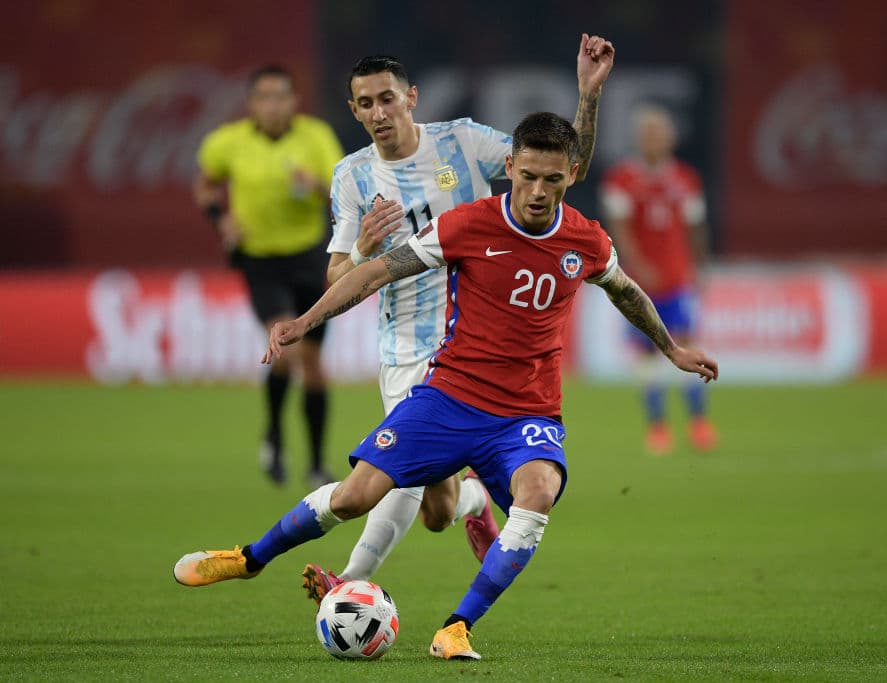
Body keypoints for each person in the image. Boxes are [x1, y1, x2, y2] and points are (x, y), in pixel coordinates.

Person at [174, 111, 718, 661]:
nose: (537, 191)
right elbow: (376, 271)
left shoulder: (586, 240)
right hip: (449, 398)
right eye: (527, 175)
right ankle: (248, 559)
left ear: (571, 176)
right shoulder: (469, 224)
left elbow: (625, 291)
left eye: (552, 180)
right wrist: (303, 323)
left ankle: (456, 627)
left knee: (537, 498)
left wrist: (671, 348)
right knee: (364, 497)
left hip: (528, 414)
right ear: (510, 166)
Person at [303, 35, 614, 592]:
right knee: (438, 511)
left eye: (387, 99)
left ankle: (348, 582)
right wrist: (362, 254)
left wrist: (587, 96)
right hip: (404, 343)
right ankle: (472, 499)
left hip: (471, 345)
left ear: (411, 97)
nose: (379, 112)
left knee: (395, 482)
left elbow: (566, 170)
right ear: (353, 110)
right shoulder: (351, 176)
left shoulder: (462, 143)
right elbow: (337, 276)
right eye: (366, 103)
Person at [193, 65, 344, 487]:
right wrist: (220, 218)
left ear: (294, 101)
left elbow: (340, 191)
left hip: (309, 256)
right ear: (252, 103)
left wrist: (314, 184)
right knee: (287, 352)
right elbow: (205, 186)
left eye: (281, 96)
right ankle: (276, 435)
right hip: (259, 259)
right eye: (264, 97)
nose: (273, 105)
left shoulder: (315, 137)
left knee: (313, 364)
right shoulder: (228, 142)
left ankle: (315, 462)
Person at [599, 103, 716, 454]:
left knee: (688, 345)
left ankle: (699, 423)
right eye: (647, 133)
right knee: (647, 355)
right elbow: (618, 227)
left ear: (671, 138)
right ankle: (658, 428)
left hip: (677, 279)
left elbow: (695, 228)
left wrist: (701, 267)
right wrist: (636, 263)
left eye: (659, 132)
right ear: (638, 139)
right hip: (637, 285)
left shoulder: (686, 178)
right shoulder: (621, 179)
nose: (653, 139)